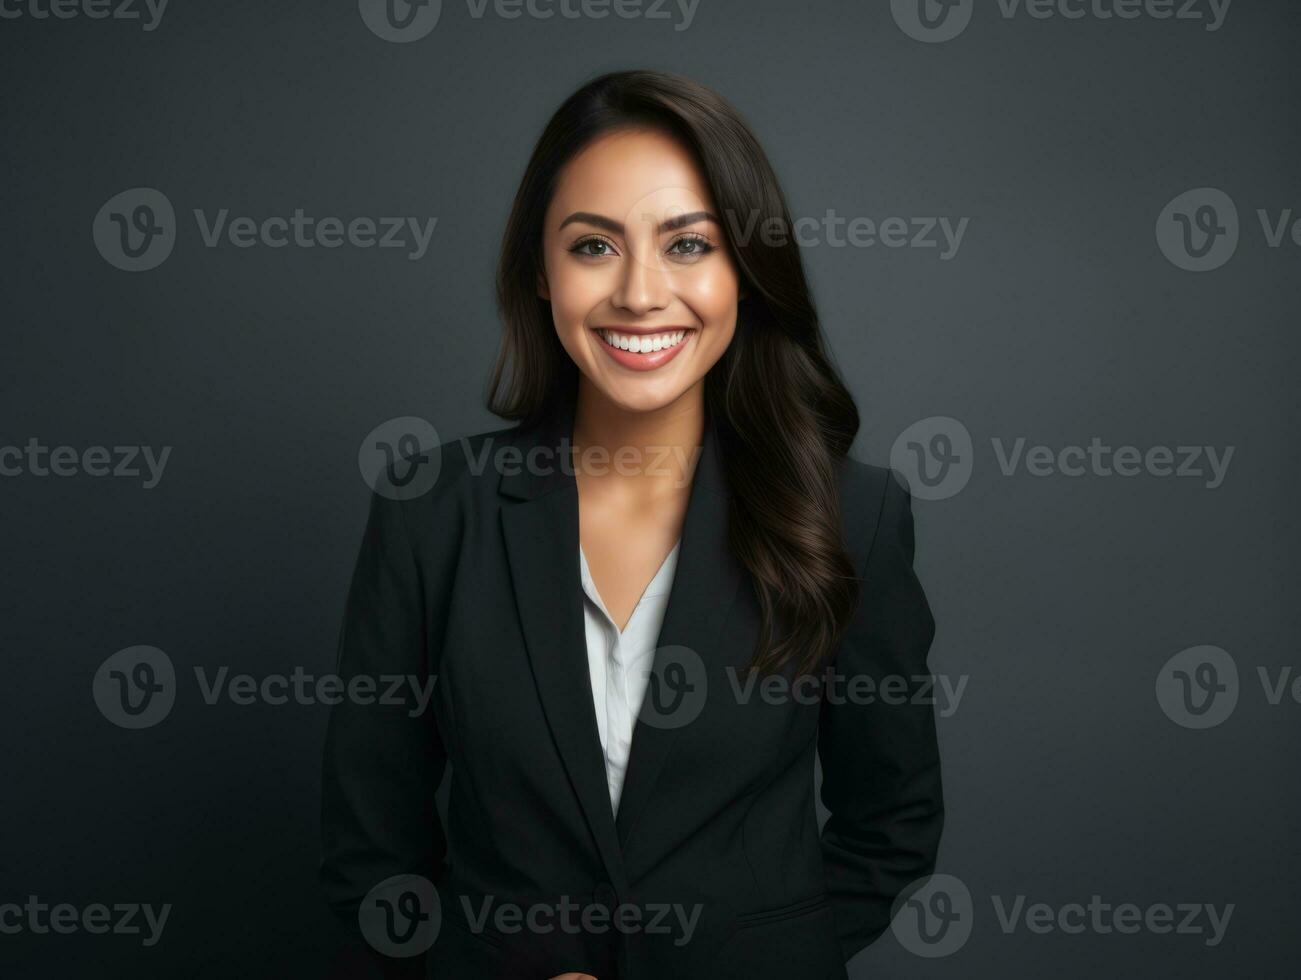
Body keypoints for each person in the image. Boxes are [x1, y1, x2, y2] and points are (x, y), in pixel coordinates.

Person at [320, 68, 943, 980]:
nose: (641, 294)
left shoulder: (854, 516)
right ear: (539, 269)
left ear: (746, 270)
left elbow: (890, 831)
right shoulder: (431, 513)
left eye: (688, 244)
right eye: (593, 246)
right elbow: (369, 858)